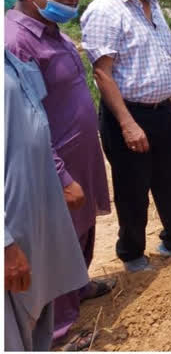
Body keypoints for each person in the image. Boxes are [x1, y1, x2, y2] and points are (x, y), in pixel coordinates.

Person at [5, 0, 112, 348]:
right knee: (57, 242)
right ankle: (59, 331)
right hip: (54, 163)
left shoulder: (55, 32)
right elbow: (27, 117)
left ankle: (78, 287)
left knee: (83, 229)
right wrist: (61, 174)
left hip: (81, 150)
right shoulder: (15, 40)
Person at [81, 0, 171, 273]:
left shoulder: (153, 5)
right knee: (133, 188)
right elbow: (103, 73)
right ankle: (131, 253)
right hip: (128, 114)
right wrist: (127, 122)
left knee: (170, 180)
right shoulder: (106, 10)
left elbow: (158, 58)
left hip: (160, 110)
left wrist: (170, 97)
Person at [5, 49, 89, 351]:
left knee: (36, 306)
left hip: (32, 213)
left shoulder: (8, 57)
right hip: (10, 229)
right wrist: (5, 246)